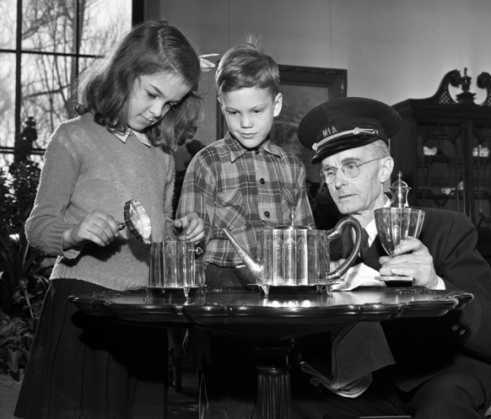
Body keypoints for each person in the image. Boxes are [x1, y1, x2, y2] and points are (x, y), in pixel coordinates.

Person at [15, 21, 205, 419]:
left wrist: (183, 236)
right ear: (125, 71)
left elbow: (159, 236)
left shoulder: (162, 157)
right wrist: (73, 232)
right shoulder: (73, 137)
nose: (157, 112)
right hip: (82, 305)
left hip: (143, 311)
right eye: (152, 94)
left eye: (169, 104)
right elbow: (37, 227)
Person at [294, 97, 491, 419]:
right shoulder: (325, 243)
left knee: (442, 406)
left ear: (385, 168)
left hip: (444, 374)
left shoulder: (444, 228)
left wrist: (436, 284)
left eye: (351, 166)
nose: (338, 181)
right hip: (367, 383)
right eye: (329, 170)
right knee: (282, 401)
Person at [177, 41, 314, 288]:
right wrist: (189, 233)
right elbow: (186, 252)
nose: (246, 123)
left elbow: (305, 239)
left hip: (280, 286)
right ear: (222, 107)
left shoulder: (293, 167)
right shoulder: (207, 163)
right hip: (220, 286)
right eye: (234, 113)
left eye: (256, 111)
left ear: (277, 105)